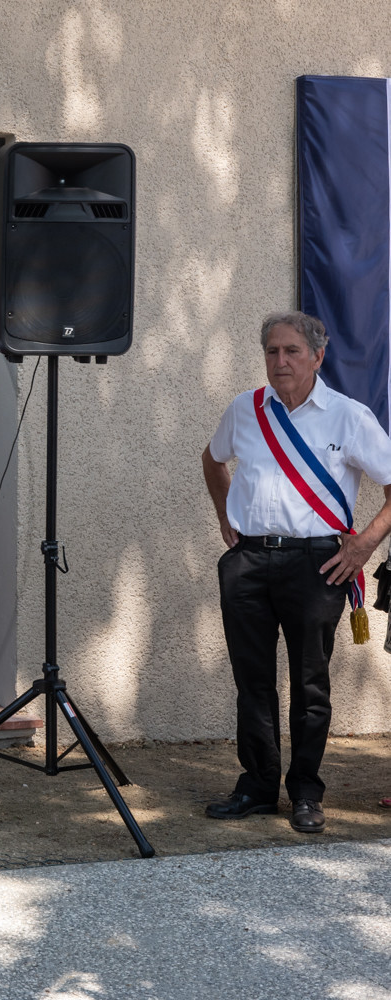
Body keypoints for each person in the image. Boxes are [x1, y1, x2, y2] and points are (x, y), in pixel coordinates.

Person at [203, 310, 391, 833]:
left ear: (317, 356)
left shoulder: (348, 416)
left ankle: (306, 791)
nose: (280, 361)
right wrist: (225, 516)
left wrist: (362, 546)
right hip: (248, 562)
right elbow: (212, 460)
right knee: (253, 680)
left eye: (291, 351)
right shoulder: (245, 409)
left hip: (317, 564)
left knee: (310, 683)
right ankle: (258, 786)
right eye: (272, 352)